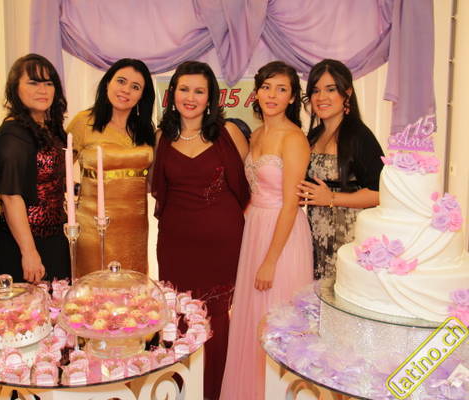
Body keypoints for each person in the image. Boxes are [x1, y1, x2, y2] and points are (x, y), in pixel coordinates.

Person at [152, 61, 249, 400]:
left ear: (211, 98)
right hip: (175, 243)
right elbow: (158, 190)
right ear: (172, 94)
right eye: (184, 89)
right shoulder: (162, 136)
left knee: (216, 316)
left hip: (221, 242)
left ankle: (215, 391)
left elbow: (247, 188)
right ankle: (181, 388)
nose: (190, 97)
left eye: (199, 91)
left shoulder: (229, 133)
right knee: (179, 313)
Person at [220, 61, 313, 400]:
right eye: (267, 87)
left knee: (275, 320)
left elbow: (291, 204)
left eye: (281, 89)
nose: (272, 95)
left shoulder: (294, 138)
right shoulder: (256, 135)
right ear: (257, 92)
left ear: (292, 97)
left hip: (282, 235)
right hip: (254, 230)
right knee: (250, 318)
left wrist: (271, 260)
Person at [66, 58, 155, 277]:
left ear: (142, 95)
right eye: (121, 81)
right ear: (108, 83)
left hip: (135, 227)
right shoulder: (84, 122)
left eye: (135, 87)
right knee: (95, 285)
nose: (126, 90)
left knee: (132, 285)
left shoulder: (145, 129)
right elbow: (59, 170)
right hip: (93, 226)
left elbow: (152, 179)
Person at [296, 59, 384, 279]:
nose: (321, 97)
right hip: (316, 237)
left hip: (348, 240)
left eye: (330, 89)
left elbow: (380, 193)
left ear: (347, 93)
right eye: (316, 90)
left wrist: (331, 198)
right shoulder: (313, 136)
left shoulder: (359, 136)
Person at [0, 54, 69, 283]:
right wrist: (29, 252)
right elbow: (10, 197)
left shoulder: (50, 128)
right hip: (24, 243)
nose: (42, 90)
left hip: (55, 236)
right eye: (33, 83)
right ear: (15, 89)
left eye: (48, 83)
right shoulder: (12, 134)